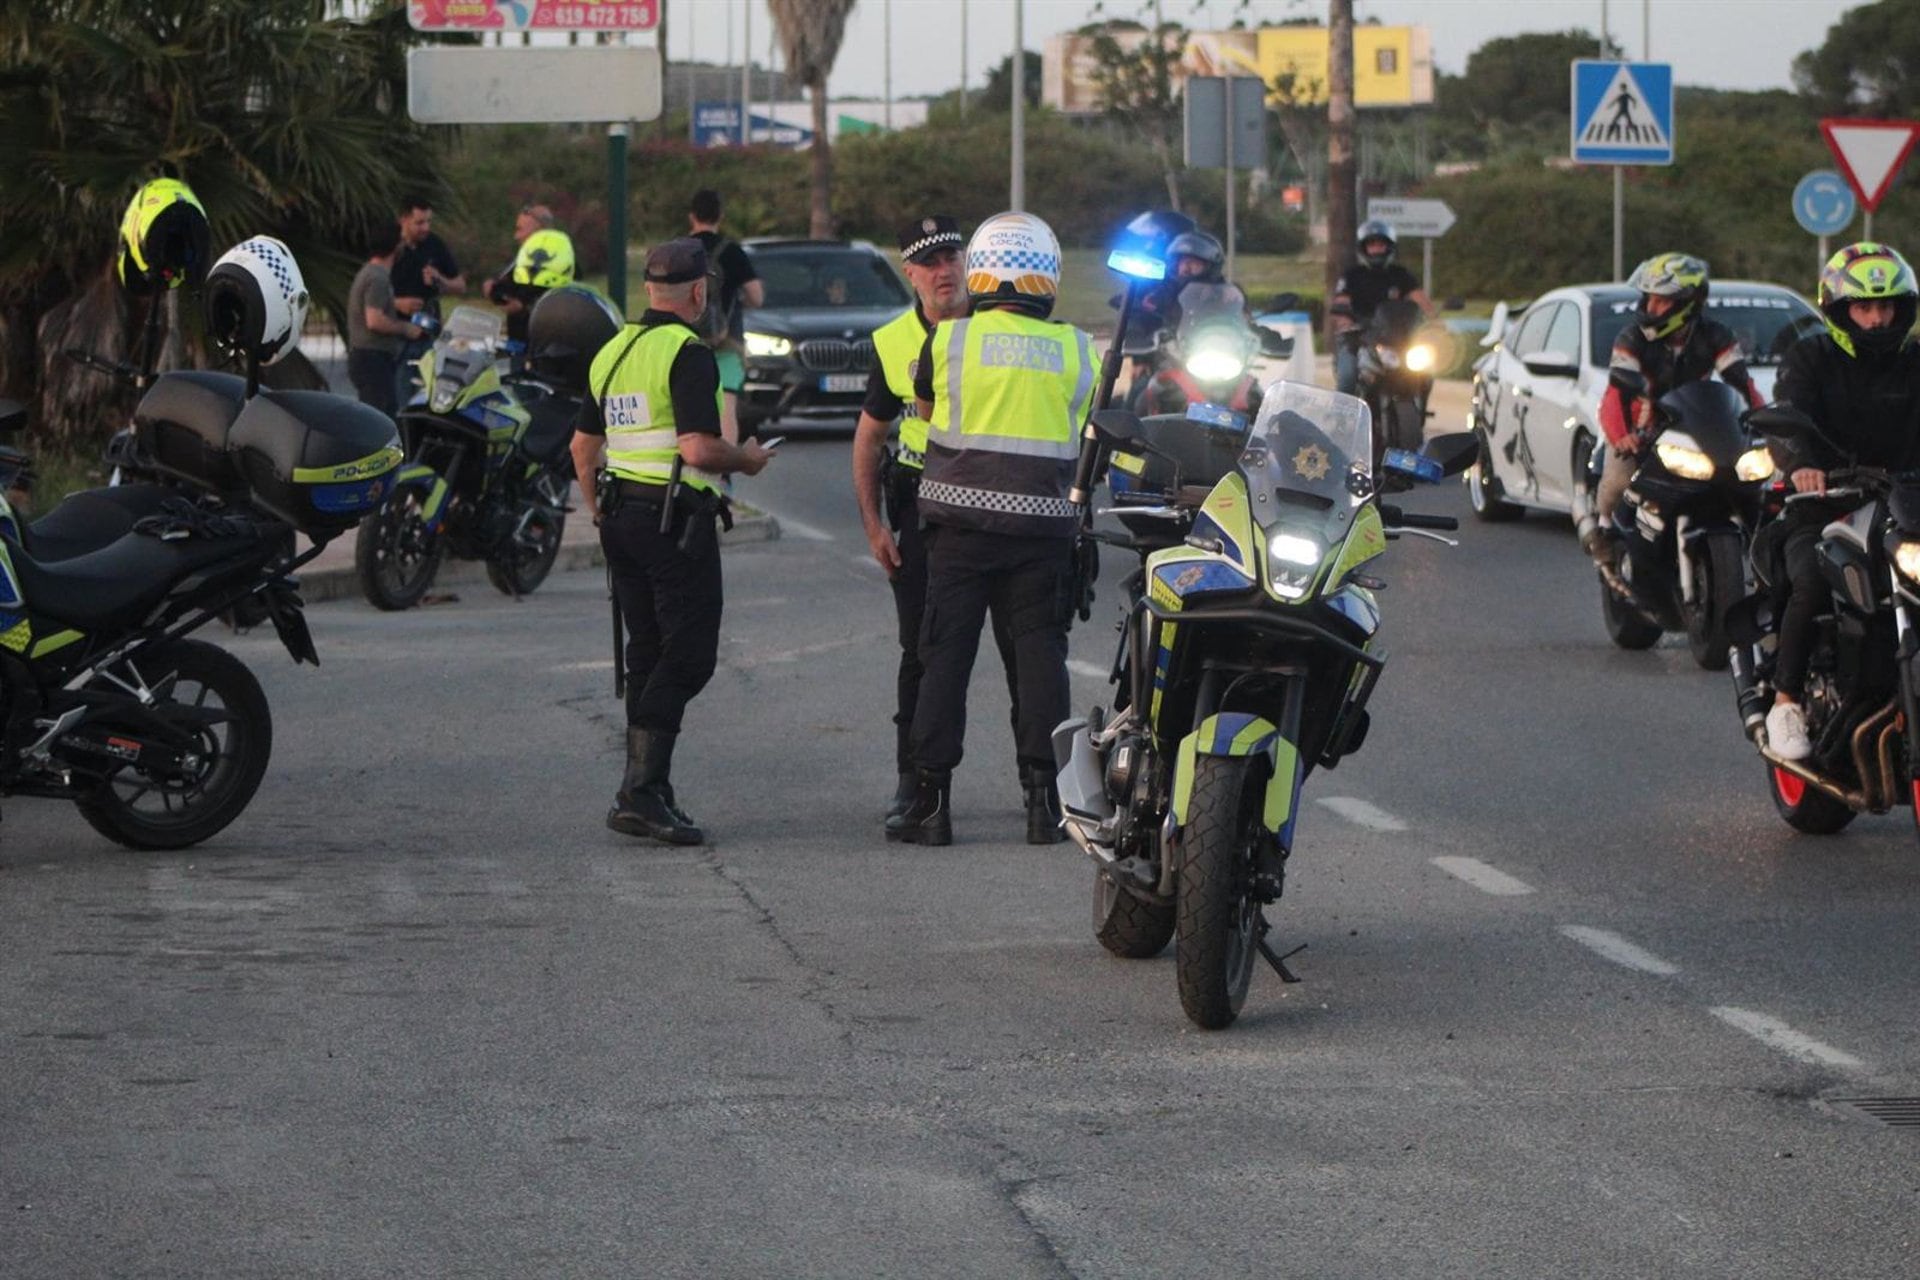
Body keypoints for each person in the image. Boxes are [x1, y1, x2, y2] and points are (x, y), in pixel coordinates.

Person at [886, 211, 1096, 847]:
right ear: (1048, 276)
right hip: (1042, 534)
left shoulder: (947, 342)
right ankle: (1044, 805)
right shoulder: (1078, 350)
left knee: (943, 659)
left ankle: (929, 804)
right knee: (1039, 662)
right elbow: (1088, 428)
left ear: (978, 273)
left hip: (959, 533)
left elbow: (926, 410)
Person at [570, 238, 777, 845]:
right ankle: (638, 789)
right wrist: (748, 458)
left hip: (623, 522)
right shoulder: (688, 352)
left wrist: (598, 515)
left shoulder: (612, 352)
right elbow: (697, 448)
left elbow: (584, 450)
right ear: (697, 291)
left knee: (648, 653)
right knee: (688, 655)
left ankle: (650, 790)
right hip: (674, 523)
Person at [853, 214, 1023, 821]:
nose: (943, 270)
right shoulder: (893, 341)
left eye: (952, 256)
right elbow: (870, 438)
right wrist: (874, 525)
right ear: (910, 273)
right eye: (929, 262)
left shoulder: (1002, 328)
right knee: (923, 652)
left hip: (997, 499)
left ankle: (1041, 789)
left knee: (1020, 650)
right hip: (922, 504)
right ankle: (914, 783)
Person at [1761, 242, 1920, 761]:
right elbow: (1786, 416)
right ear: (1838, 310)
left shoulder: (1915, 361)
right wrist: (1801, 463)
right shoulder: (1812, 357)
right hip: (1828, 503)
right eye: (1865, 307)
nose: (1878, 320)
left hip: (1905, 505)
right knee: (1811, 577)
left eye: (1888, 306)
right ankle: (1785, 700)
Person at [1580, 252, 1764, 565]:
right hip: (1641, 426)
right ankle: (1604, 530)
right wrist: (1622, 436)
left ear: (1688, 302)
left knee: (1751, 480)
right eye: (1649, 299)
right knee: (1619, 480)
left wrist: (1762, 423)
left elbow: (1741, 384)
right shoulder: (1632, 338)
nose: (1651, 308)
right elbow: (1615, 394)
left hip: (1695, 421)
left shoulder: (1716, 334)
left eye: (1661, 301)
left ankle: (1761, 548)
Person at [687, 189, 763, 443]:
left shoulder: (679, 249)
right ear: (720, 215)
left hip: (685, 342)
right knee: (726, 407)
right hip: (727, 341)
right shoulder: (732, 252)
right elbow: (757, 296)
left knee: (689, 405)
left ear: (692, 216)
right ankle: (724, 470)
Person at [1331, 220, 1431, 396]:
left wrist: (1436, 322)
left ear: (1389, 248)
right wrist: (1345, 321)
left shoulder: (1400, 274)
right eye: (1372, 245)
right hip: (1359, 338)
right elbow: (1341, 302)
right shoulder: (1352, 276)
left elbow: (1420, 300)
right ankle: (1343, 421)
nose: (1377, 249)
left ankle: (1418, 406)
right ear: (1364, 248)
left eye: (1381, 245)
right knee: (1347, 378)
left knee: (1426, 371)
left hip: (1396, 338)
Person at [389, 196, 466, 403]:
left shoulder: (434, 244)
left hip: (428, 332)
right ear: (404, 220)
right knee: (400, 394)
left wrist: (440, 279)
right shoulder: (390, 245)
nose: (425, 228)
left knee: (429, 393)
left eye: (428, 222)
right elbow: (371, 293)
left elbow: (460, 285)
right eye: (419, 223)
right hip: (396, 333)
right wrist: (399, 303)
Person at [345, 232, 426, 417]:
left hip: (369, 358)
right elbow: (374, 320)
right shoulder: (377, 278)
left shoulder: (369, 273)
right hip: (372, 359)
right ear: (395, 247)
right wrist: (405, 328)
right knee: (380, 418)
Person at [482, 203, 576, 350]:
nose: (516, 236)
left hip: (548, 344)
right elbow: (499, 288)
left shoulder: (564, 262)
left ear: (539, 232)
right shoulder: (522, 260)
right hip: (521, 341)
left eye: (520, 230)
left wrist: (523, 307)